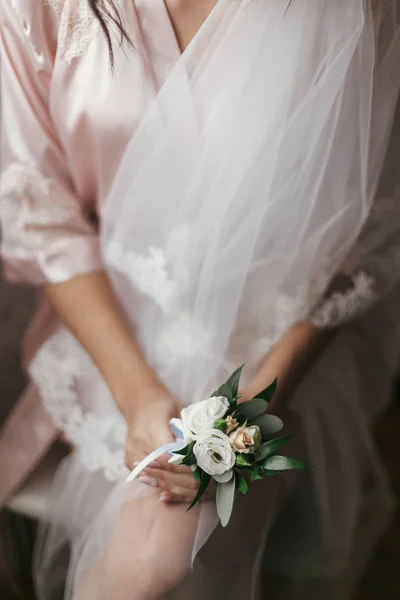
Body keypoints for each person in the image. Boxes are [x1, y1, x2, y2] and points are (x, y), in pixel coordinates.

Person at [0, 1, 399, 598]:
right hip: (109, 312)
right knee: (146, 564)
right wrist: (138, 395)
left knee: (158, 558)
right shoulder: (33, 9)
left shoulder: (346, 12)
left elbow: (364, 232)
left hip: (273, 329)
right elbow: (36, 208)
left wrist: (252, 414)